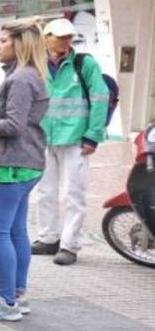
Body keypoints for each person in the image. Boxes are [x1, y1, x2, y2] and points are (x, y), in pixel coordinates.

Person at [0, 19, 50, 321]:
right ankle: (17, 294)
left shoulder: (20, 80)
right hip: (24, 163)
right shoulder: (28, 76)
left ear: (19, 45)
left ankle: (6, 302)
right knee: (16, 231)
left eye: (2, 41)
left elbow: (14, 125)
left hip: (10, 166)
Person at [31, 17, 108, 266]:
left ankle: (69, 245)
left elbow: (100, 97)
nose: (65, 42)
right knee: (45, 192)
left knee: (74, 194)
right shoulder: (37, 64)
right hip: (44, 138)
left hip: (76, 140)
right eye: (60, 37)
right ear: (46, 38)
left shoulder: (84, 64)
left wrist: (92, 136)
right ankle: (48, 238)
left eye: (68, 37)